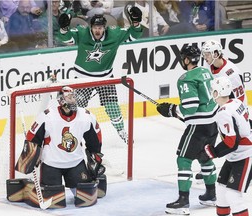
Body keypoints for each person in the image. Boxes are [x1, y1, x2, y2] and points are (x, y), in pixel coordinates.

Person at [56, 8, 143, 143]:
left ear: (105, 28)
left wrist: (136, 23)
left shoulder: (114, 35)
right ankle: (71, 134)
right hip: (82, 78)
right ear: (90, 27)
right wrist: (63, 28)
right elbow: (65, 38)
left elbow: (133, 35)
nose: (98, 30)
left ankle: (122, 132)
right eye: (95, 27)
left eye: (101, 28)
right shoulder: (82, 32)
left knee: (112, 107)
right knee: (76, 109)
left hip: (105, 78)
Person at [14, 86, 106, 207]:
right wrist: (32, 156)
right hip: (51, 164)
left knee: (86, 197)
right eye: (69, 97)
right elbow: (32, 138)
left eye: (74, 97)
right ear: (61, 100)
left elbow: (95, 138)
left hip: (75, 162)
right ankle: (27, 189)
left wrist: (95, 156)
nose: (73, 100)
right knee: (54, 200)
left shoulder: (85, 116)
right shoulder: (47, 116)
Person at [157, 45, 219, 215]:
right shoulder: (206, 72)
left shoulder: (186, 78)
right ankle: (211, 195)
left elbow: (190, 108)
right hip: (214, 123)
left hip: (198, 127)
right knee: (205, 157)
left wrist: (171, 110)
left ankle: (183, 202)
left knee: (183, 159)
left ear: (185, 59)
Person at [200, 76, 252, 216]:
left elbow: (231, 142)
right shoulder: (236, 102)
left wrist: (212, 152)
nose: (212, 93)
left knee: (233, 196)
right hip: (235, 156)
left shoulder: (224, 112)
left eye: (213, 91)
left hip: (245, 156)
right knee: (222, 193)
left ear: (217, 92)